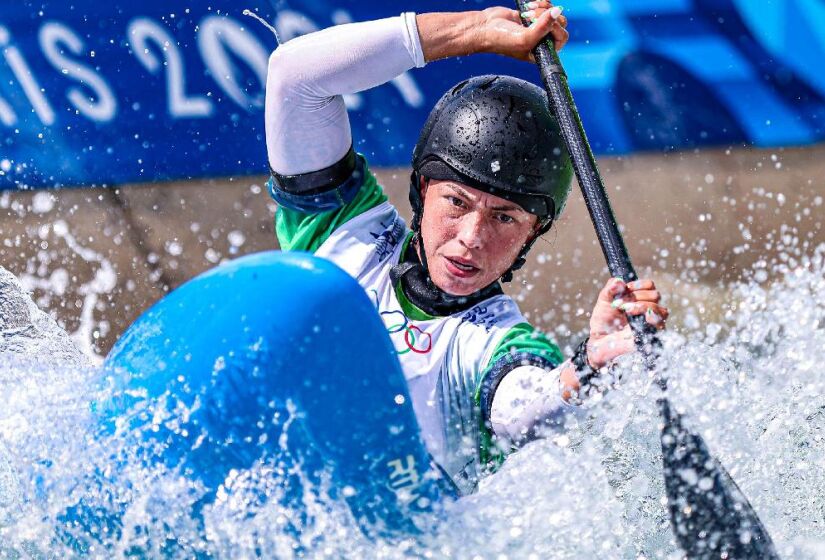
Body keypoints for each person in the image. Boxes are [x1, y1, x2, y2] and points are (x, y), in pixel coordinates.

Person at [265, 2, 668, 495]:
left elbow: (526, 407)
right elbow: (294, 75)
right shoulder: (341, 231)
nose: (472, 237)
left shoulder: (499, 345)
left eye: (504, 217)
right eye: (456, 202)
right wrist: (472, 31)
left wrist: (588, 366)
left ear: (533, 232)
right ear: (420, 188)